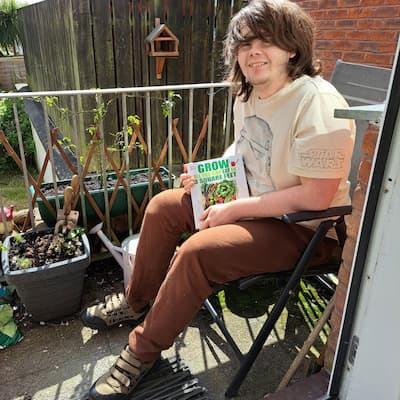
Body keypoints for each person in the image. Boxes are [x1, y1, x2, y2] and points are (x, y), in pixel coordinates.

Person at [84, 0, 355, 398]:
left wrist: (233, 209)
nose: (253, 52)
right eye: (244, 43)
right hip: (253, 202)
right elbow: (243, 148)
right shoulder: (248, 93)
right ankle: (138, 300)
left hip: (306, 229)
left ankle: (142, 352)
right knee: (162, 206)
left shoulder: (317, 102)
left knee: (198, 252)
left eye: (266, 41)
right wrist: (210, 173)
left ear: (293, 49)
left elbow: (317, 195)